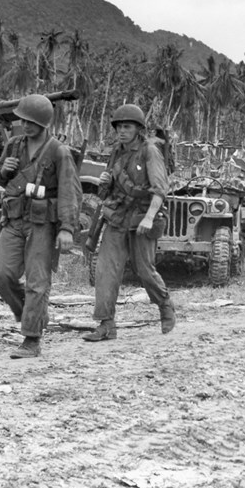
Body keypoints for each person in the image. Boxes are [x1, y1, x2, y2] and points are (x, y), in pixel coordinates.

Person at [0, 94, 81, 358]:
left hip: (42, 224)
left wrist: (66, 228)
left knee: (37, 282)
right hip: (14, 220)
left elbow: (69, 191)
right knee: (1, 274)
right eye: (22, 120)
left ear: (43, 123)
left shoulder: (58, 151)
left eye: (30, 121)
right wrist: (4, 170)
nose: (25, 125)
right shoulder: (14, 145)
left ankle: (31, 338)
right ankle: (31, 313)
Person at [86, 104, 176, 340]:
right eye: (119, 127)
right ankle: (106, 324)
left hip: (141, 218)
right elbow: (108, 191)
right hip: (117, 218)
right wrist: (104, 180)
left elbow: (159, 189)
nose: (122, 131)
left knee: (145, 270)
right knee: (106, 271)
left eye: (127, 127)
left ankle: (165, 305)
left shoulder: (149, 151)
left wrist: (149, 217)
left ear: (138, 129)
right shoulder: (116, 152)